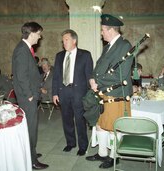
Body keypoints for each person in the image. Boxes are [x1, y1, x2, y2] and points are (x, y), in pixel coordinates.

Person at [86, 14, 133, 169]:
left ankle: (114, 156)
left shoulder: (125, 46)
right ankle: (102, 153)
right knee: (100, 124)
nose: (101, 33)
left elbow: (121, 74)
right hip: (103, 92)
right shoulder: (107, 47)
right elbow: (98, 67)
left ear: (111, 30)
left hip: (117, 94)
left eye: (102, 30)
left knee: (113, 127)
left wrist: (97, 82)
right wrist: (92, 79)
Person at [11, 22, 48, 170]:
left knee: (30, 127)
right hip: (28, 97)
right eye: (39, 33)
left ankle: (30, 152)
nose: (39, 37)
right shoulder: (22, 50)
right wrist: (29, 95)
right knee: (30, 128)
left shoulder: (25, 48)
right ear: (32, 33)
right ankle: (31, 160)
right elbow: (21, 76)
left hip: (30, 95)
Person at [52, 29, 93, 156]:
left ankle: (83, 146)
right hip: (63, 92)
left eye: (66, 40)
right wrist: (54, 93)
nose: (63, 42)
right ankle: (70, 143)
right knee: (66, 119)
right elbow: (56, 77)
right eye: (63, 40)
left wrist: (89, 95)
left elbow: (89, 76)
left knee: (80, 120)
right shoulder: (59, 56)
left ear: (74, 41)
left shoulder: (85, 55)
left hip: (79, 93)